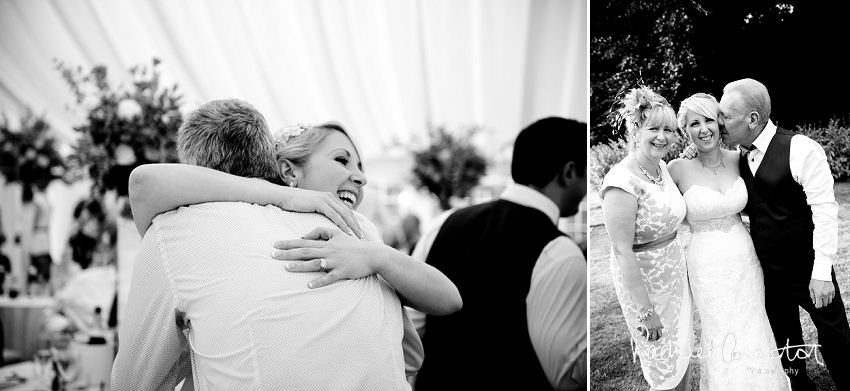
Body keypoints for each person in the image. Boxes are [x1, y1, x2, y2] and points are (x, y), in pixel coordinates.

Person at [111, 99, 461, 390]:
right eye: (341, 159)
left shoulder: (177, 231)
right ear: (285, 171)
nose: (361, 176)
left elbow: (134, 382)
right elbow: (409, 359)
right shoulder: (358, 228)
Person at [687, 78, 849, 390]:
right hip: (767, 271)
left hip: (808, 267)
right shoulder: (738, 156)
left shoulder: (801, 149)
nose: (718, 123)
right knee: (785, 336)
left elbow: (826, 212)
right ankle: (800, 386)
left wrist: (822, 272)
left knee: (835, 336)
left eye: (724, 116)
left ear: (752, 119)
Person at [410, 117, 587, 390]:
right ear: (569, 172)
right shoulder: (560, 252)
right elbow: (567, 378)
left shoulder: (443, 224)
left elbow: (410, 333)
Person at [667, 93, 789, 389]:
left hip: (745, 258)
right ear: (686, 129)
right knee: (720, 330)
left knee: (753, 323)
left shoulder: (740, 159)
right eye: (694, 123)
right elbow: (667, 214)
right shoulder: (676, 170)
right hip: (706, 265)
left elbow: (762, 203)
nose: (704, 128)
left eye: (709, 119)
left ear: (720, 122)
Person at [600, 86, 692, 390]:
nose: (662, 137)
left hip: (676, 283)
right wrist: (646, 312)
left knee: (683, 359)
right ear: (636, 130)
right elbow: (622, 252)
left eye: (668, 129)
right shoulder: (621, 182)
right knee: (664, 371)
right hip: (647, 291)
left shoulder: (662, 168)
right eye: (654, 128)